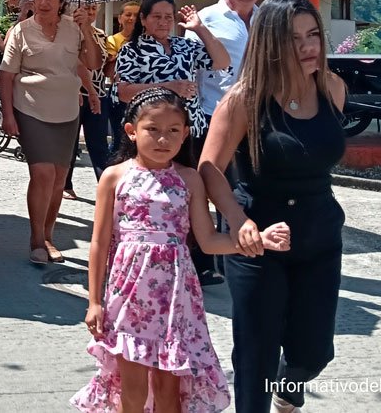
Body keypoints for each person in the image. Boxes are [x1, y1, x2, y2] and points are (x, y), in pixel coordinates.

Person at [73, 88, 290, 413]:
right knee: (130, 391)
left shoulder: (189, 180)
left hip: (176, 300)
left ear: (186, 133)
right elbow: (100, 243)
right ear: (131, 131)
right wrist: (93, 302)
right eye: (153, 130)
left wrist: (255, 239)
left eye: (173, 131)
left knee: (168, 390)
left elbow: (208, 240)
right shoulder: (114, 176)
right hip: (128, 299)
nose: (163, 139)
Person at [199, 0, 349, 413]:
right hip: (257, 239)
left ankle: (289, 384)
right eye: (294, 38)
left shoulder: (333, 89)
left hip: (320, 236)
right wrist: (236, 219)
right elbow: (210, 168)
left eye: (313, 35)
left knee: (314, 352)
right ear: (270, 43)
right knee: (256, 351)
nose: (308, 47)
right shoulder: (243, 101)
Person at [114, 0, 230, 285]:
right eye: (157, 16)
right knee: (152, 194)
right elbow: (123, 91)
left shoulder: (184, 46)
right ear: (143, 19)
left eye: (169, 17)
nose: (164, 22)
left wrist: (199, 27)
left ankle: (199, 261)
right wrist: (169, 86)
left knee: (193, 192)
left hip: (190, 129)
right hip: (152, 133)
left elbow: (221, 60)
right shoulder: (132, 50)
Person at [0, 0, 101, 265]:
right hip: (30, 108)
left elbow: (90, 63)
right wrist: (7, 113)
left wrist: (87, 29)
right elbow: (6, 75)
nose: (43, 3)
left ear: (61, 2)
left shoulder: (75, 29)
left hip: (67, 111)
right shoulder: (21, 31)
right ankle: (36, 239)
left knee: (58, 180)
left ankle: (49, 234)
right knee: (42, 174)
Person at [63, 4, 110, 199]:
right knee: (70, 144)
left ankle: (107, 186)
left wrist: (87, 32)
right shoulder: (68, 33)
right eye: (86, 8)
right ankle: (65, 184)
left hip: (98, 94)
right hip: (73, 94)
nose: (90, 12)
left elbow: (99, 62)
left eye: (93, 8)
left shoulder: (100, 35)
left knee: (98, 143)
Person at [105, 0, 139, 154]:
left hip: (141, 92)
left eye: (136, 15)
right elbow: (109, 71)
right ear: (120, 18)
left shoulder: (145, 41)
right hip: (119, 94)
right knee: (120, 138)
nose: (132, 18)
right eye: (128, 14)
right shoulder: (112, 41)